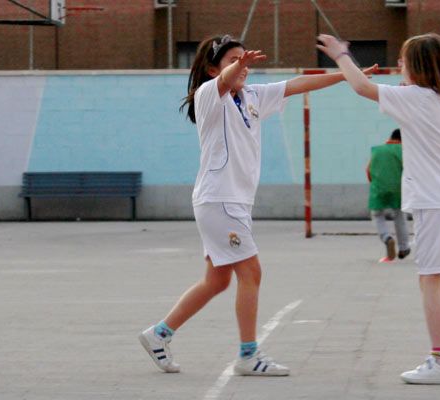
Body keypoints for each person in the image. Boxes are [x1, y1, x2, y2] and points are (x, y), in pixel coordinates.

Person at [139, 34, 375, 376]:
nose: (244, 66)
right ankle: (248, 356)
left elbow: (297, 84)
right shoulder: (209, 95)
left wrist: (347, 73)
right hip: (220, 199)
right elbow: (223, 80)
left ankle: (158, 335)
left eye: (245, 59)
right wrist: (238, 63)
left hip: (231, 202)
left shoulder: (252, 97)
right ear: (212, 69)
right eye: (235, 60)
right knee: (251, 273)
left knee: (218, 281)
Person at [317, 32, 440, 384]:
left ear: (419, 66)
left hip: (438, 201)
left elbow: (362, 87)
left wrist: (341, 55)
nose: (399, 65)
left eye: (404, 60)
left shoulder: (418, 98)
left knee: (430, 280)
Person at [367, 128, 410, 262]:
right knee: (399, 216)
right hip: (398, 188)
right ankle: (404, 248)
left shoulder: (377, 151)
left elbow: (368, 170)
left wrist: (374, 184)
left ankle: (387, 237)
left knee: (377, 214)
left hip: (378, 188)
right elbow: (409, 170)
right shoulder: (404, 151)